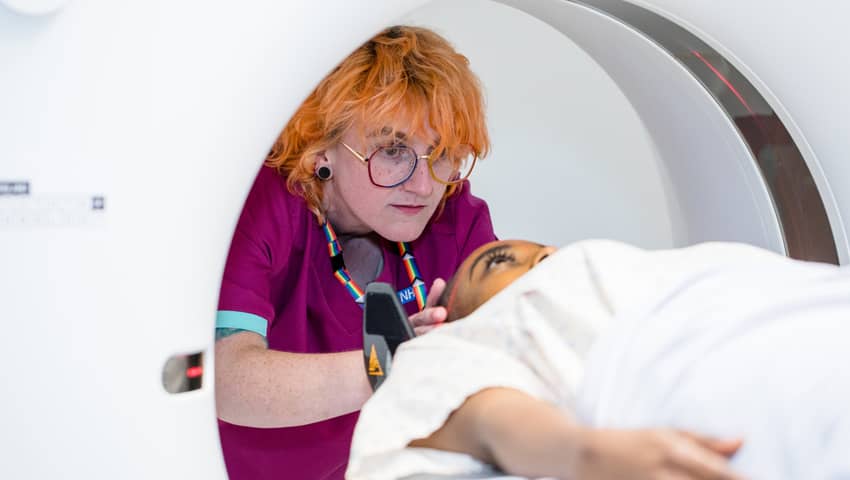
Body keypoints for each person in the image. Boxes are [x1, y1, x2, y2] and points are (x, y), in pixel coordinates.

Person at [214, 25, 497, 479]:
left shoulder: (455, 214)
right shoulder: (264, 206)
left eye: (442, 153)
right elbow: (226, 381)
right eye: (392, 150)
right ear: (321, 150)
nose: (424, 185)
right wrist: (393, 364)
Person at [348, 239, 850, 480]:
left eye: (546, 249)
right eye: (502, 260)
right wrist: (587, 455)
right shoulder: (452, 343)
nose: (546, 259)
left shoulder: (649, 268)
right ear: (454, 320)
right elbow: (485, 417)